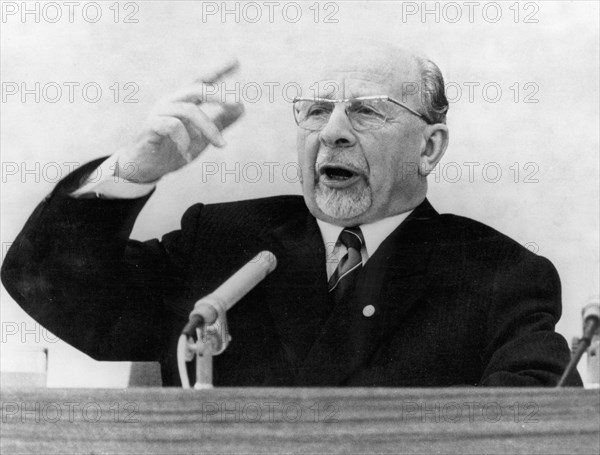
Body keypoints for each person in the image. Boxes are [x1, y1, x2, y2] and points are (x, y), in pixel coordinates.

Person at [1, 43, 582, 387]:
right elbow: (53, 290)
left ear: (428, 148)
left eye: (368, 112)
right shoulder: (220, 242)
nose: (331, 133)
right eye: (315, 111)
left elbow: (541, 422)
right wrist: (133, 169)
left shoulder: (500, 274)